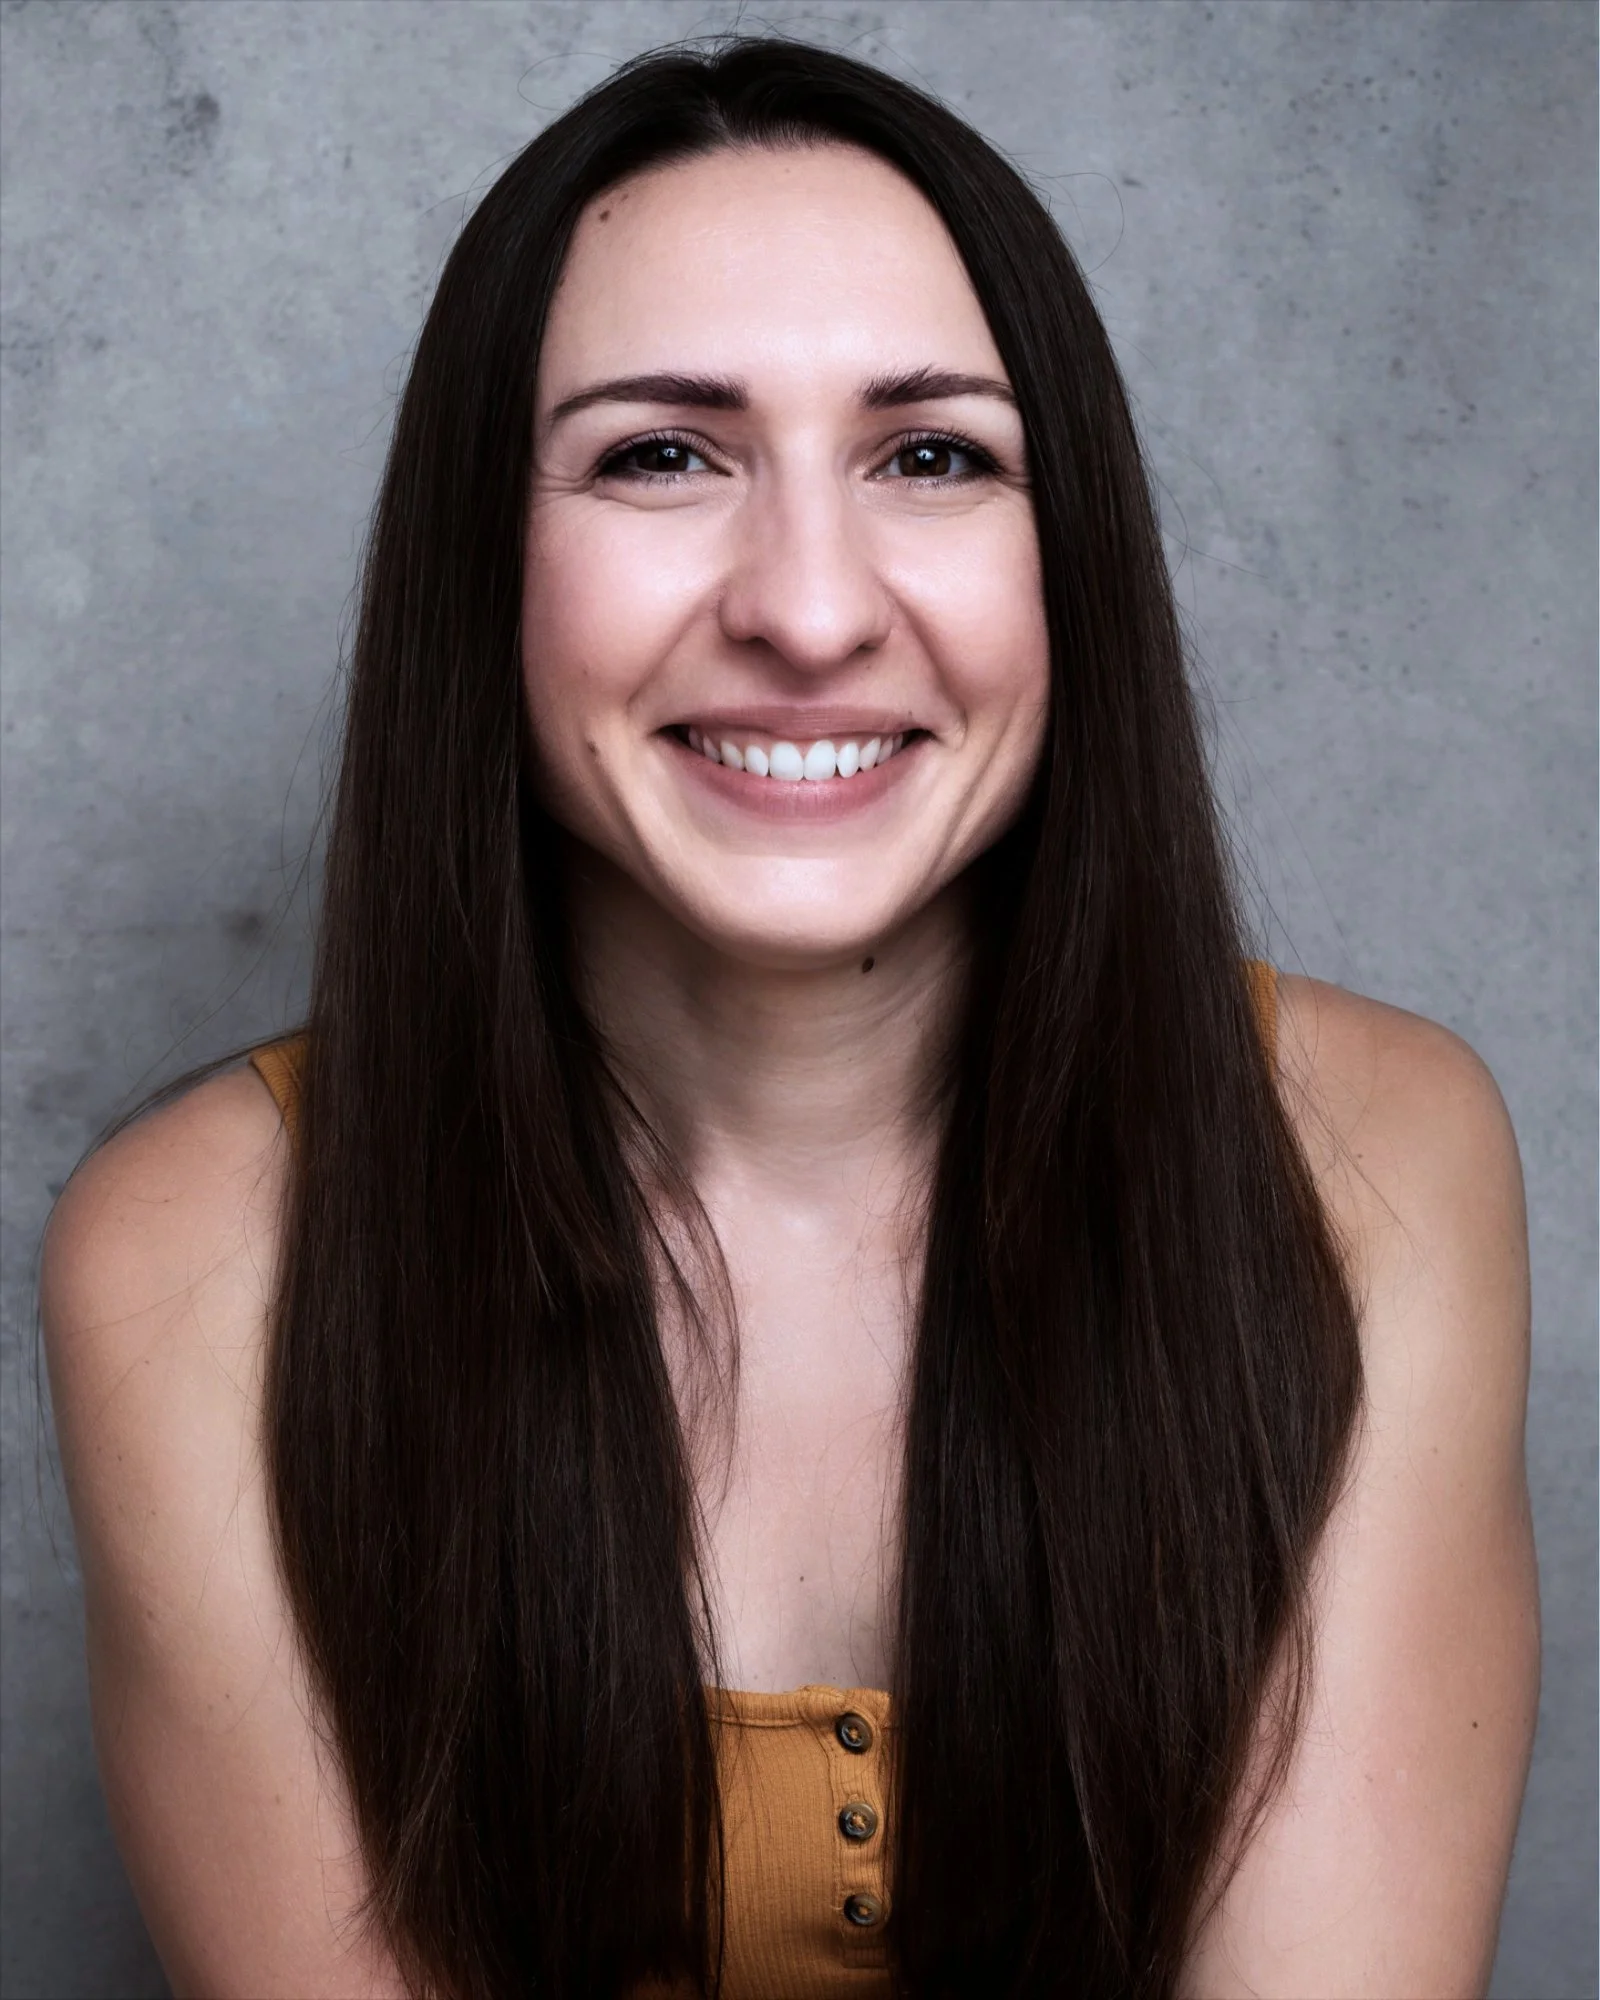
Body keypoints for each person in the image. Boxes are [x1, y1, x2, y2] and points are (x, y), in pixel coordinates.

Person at [39, 37, 1538, 2000]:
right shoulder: (194, 1256)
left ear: (1063, 556)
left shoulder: (1370, 1165)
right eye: (659, 453)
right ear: (479, 565)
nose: (810, 609)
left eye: (932, 455)